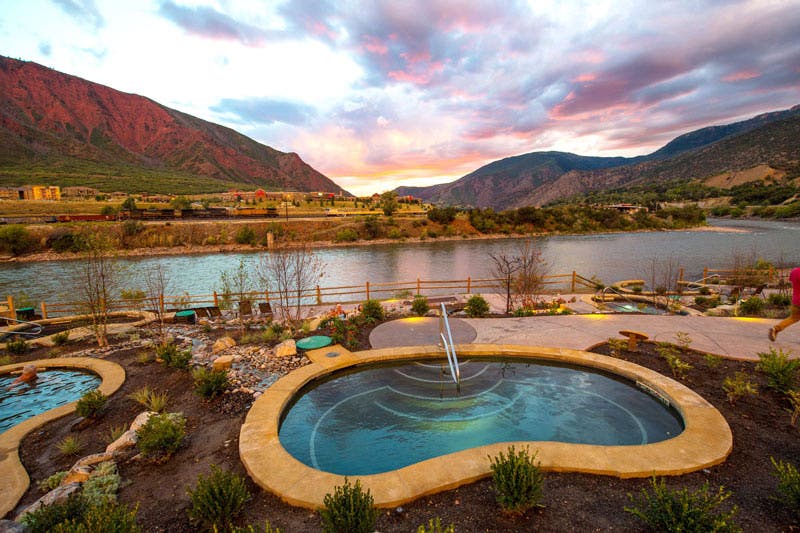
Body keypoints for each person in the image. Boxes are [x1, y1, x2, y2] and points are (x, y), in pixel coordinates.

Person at [769, 267, 800, 341]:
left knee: (792, 318)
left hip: (796, 301)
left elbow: (792, 283)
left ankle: (775, 329)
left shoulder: (794, 271)